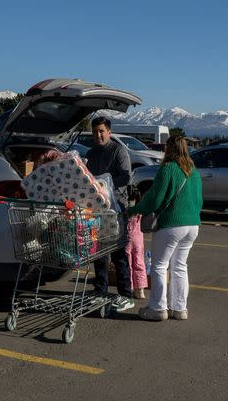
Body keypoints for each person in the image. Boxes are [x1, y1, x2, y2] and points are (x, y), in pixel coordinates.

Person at [127, 135, 203, 321]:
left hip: (171, 224)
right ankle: (179, 308)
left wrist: (135, 209)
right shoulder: (193, 171)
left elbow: (155, 199)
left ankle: (158, 308)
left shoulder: (168, 169)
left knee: (160, 266)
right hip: (193, 225)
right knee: (180, 266)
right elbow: (199, 200)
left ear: (169, 149)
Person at [85, 116, 135, 312]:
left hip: (116, 209)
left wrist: (105, 184)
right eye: (95, 132)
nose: (98, 135)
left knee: (119, 252)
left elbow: (126, 176)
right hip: (97, 210)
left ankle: (126, 294)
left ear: (109, 132)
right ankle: (100, 291)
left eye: (101, 131)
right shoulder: (91, 153)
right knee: (99, 252)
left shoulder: (118, 150)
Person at [125, 189, 147, 299]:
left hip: (128, 239)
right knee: (139, 263)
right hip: (139, 240)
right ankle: (140, 289)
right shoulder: (141, 210)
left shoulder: (128, 210)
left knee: (128, 264)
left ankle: (130, 287)